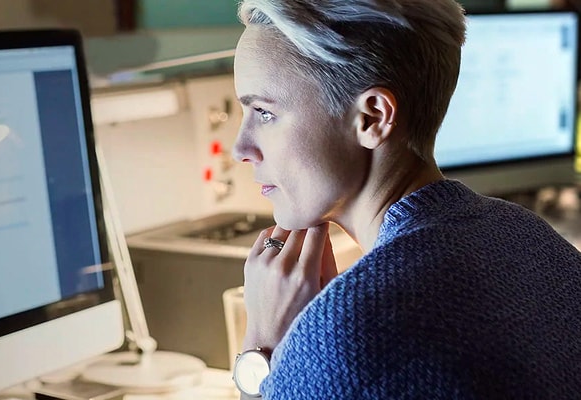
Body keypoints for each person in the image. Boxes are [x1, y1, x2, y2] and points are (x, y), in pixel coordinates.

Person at [229, 0, 581, 398]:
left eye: (263, 112)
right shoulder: (529, 235)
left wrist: (265, 345)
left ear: (373, 118)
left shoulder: (348, 332)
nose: (240, 149)